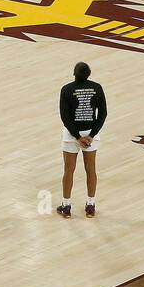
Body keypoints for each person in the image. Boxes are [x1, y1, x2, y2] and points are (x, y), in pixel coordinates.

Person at [57, 62, 107, 219]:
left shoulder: (66, 89)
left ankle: (66, 206)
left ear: (74, 73)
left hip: (72, 135)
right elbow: (103, 114)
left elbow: (65, 116)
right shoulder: (97, 88)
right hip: (91, 134)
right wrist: (91, 135)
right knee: (91, 169)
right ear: (89, 74)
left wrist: (77, 137)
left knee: (68, 170)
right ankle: (90, 205)